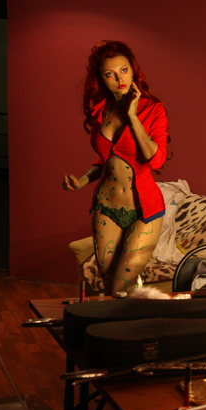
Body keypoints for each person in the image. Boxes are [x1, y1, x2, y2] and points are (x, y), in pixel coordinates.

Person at [62, 40, 169, 297]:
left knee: (122, 286)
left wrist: (132, 117)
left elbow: (156, 160)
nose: (119, 78)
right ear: (101, 79)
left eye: (123, 70)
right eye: (109, 74)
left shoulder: (153, 110)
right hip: (105, 207)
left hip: (144, 211)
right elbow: (109, 159)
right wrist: (82, 180)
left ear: (133, 70)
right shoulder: (101, 111)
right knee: (109, 284)